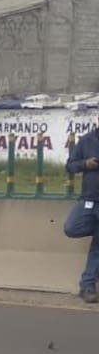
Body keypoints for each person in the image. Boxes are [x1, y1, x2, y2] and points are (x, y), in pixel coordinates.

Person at [63, 124, 99, 303]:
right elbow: (70, 166)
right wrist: (86, 164)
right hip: (89, 199)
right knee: (71, 228)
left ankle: (87, 286)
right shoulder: (86, 141)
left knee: (97, 248)